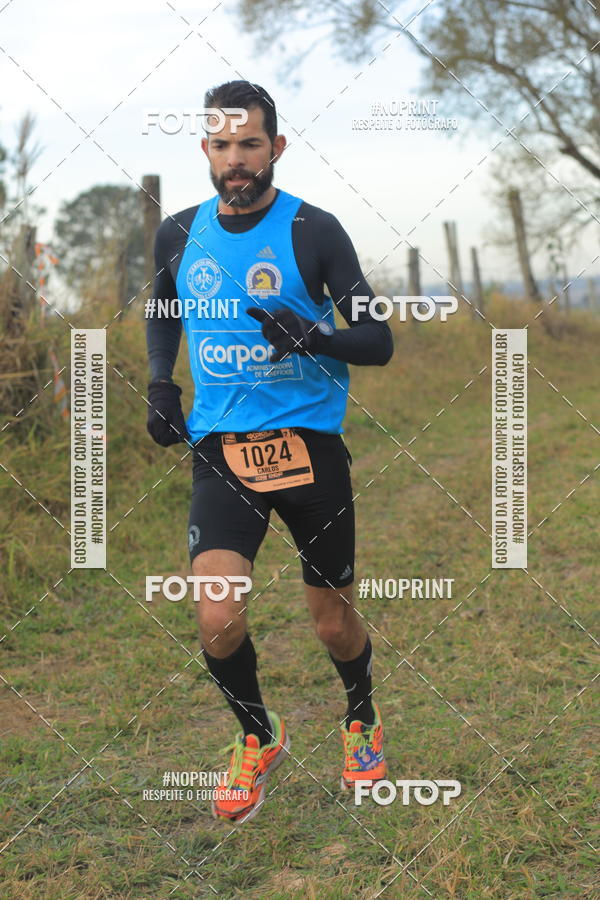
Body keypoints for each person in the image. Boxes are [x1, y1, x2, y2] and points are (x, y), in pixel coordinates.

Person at [146, 80, 394, 824]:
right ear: (205, 149)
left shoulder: (315, 230)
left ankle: (361, 719)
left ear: (276, 146)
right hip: (222, 447)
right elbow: (162, 310)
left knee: (333, 621)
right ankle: (259, 735)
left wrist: (315, 336)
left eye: (250, 144)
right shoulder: (177, 233)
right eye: (223, 146)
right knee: (216, 616)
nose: (236, 160)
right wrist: (160, 383)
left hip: (309, 446)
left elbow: (377, 337)